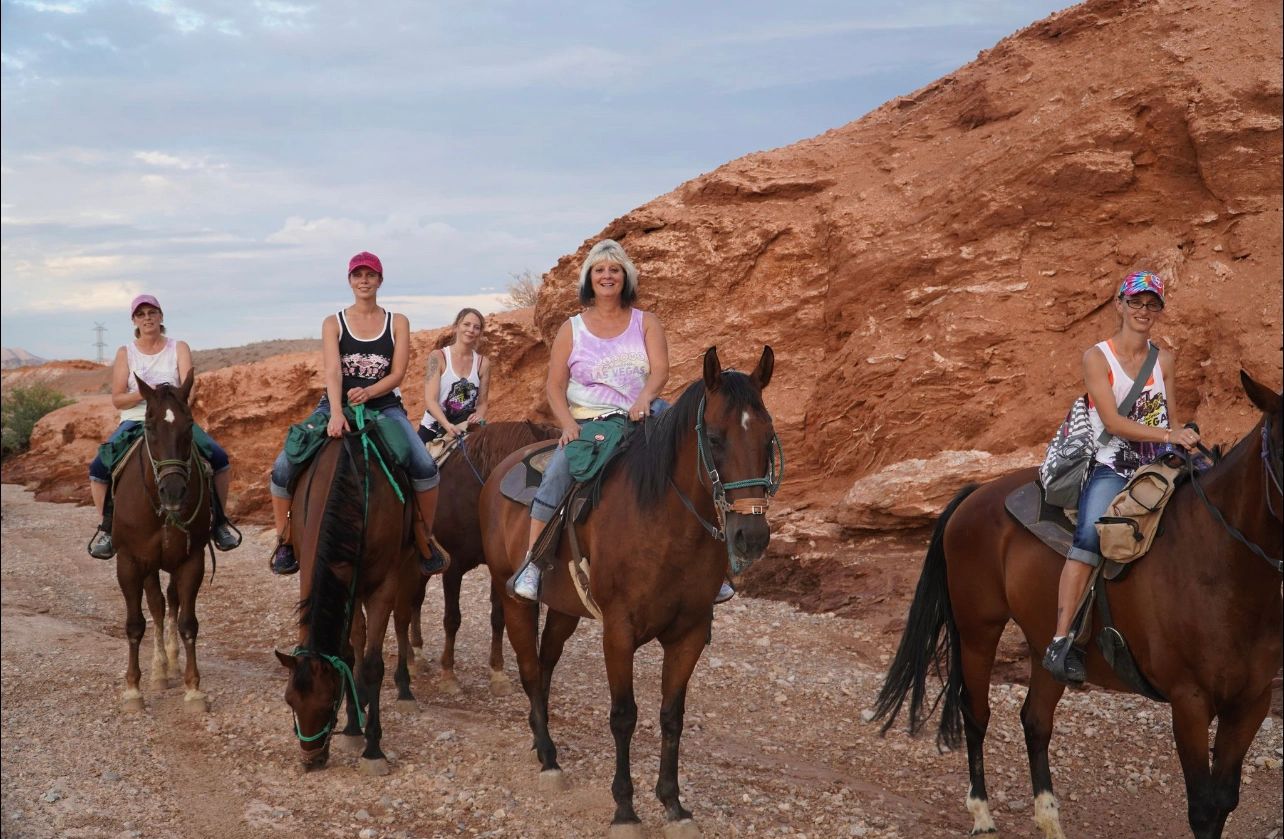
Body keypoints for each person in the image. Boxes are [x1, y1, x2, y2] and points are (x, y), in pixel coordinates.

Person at [506, 239, 736, 605]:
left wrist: (644, 399)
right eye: (600, 270)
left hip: (646, 414)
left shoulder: (646, 322)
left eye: (614, 269)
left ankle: (714, 565)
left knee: (699, 465)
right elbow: (554, 384)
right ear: (589, 279)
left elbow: (660, 369)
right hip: (590, 422)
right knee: (558, 473)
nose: (607, 275)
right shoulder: (573, 328)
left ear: (625, 276)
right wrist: (568, 425)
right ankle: (532, 563)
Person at [1042, 270, 1200, 684]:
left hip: (1157, 464)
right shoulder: (1097, 357)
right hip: (1110, 463)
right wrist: (1168, 434)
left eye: (1152, 304)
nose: (1144, 311)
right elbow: (1111, 420)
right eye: (1136, 302)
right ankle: (1061, 641)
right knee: (1091, 536)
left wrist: (1181, 441)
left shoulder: (1163, 360)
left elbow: (1170, 414)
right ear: (1119, 305)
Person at [267, 252, 440, 576]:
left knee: (424, 466)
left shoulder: (397, 322)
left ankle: (424, 537)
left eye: (370, 275)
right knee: (283, 465)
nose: (364, 280)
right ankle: (285, 541)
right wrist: (335, 413)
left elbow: (398, 372)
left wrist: (370, 392)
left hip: (384, 405)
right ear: (349, 280)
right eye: (358, 275)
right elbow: (333, 371)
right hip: (335, 402)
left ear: (380, 280)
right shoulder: (334, 322)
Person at [87, 294, 241, 558]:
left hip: (174, 420)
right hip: (137, 420)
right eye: (141, 314)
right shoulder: (126, 352)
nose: (147, 318)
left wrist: (171, 402)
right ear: (134, 320)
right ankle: (107, 528)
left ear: (161, 317)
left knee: (218, 458)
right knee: (99, 467)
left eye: (152, 313)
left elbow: (188, 389)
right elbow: (117, 399)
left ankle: (220, 523)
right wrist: (148, 394)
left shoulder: (178, 347)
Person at [418, 308, 490, 445]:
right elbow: (430, 400)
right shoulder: (437, 357)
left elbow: (482, 403)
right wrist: (447, 425)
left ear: (480, 333)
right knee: (419, 464)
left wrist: (479, 415)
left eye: (476, 327)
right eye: (466, 324)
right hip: (435, 426)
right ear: (456, 326)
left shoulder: (483, 363)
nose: (471, 330)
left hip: (466, 426)